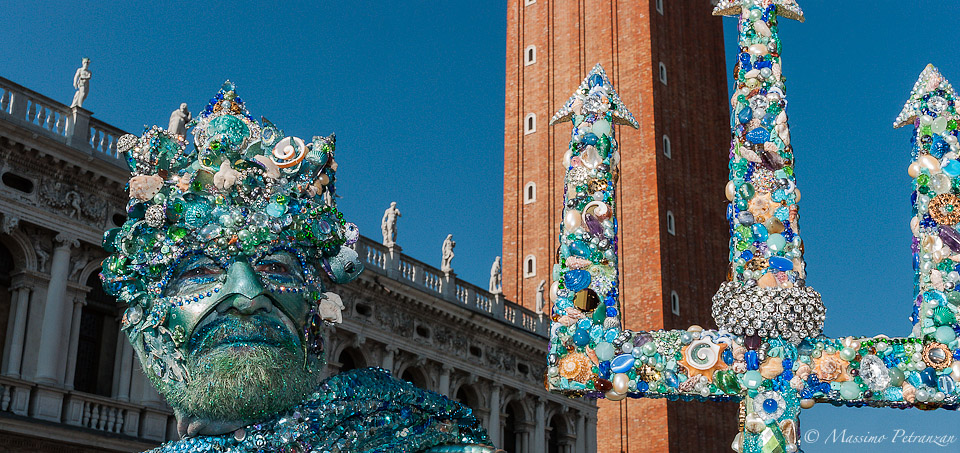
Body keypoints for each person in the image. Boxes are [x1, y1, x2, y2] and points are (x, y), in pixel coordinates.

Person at [101, 82, 496, 452]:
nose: (248, 294)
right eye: (200, 273)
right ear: (145, 329)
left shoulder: (408, 435)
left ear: (317, 310)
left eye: (275, 267)